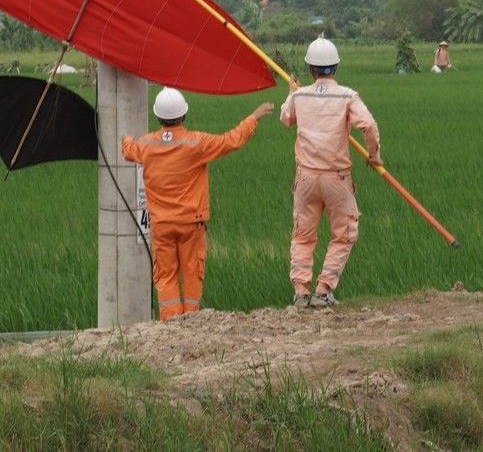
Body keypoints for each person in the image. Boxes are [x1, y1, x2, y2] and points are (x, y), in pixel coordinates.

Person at [122, 88, 274, 321]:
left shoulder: (146, 145)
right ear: (183, 115)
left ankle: (171, 321)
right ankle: (192, 321)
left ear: (158, 117)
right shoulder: (196, 143)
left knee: (165, 276)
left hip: (161, 226)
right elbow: (231, 141)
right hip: (191, 224)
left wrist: (126, 139)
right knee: (192, 272)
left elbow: (128, 150)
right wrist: (253, 117)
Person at [280, 36, 381, 308]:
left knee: (302, 234)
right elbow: (368, 126)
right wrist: (374, 156)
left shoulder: (299, 96)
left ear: (310, 69)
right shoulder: (347, 96)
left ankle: (301, 291)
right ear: (335, 67)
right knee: (345, 233)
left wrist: (291, 93)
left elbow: (286, 119)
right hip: (337, 178)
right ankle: (323, 289)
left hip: (306, 178)